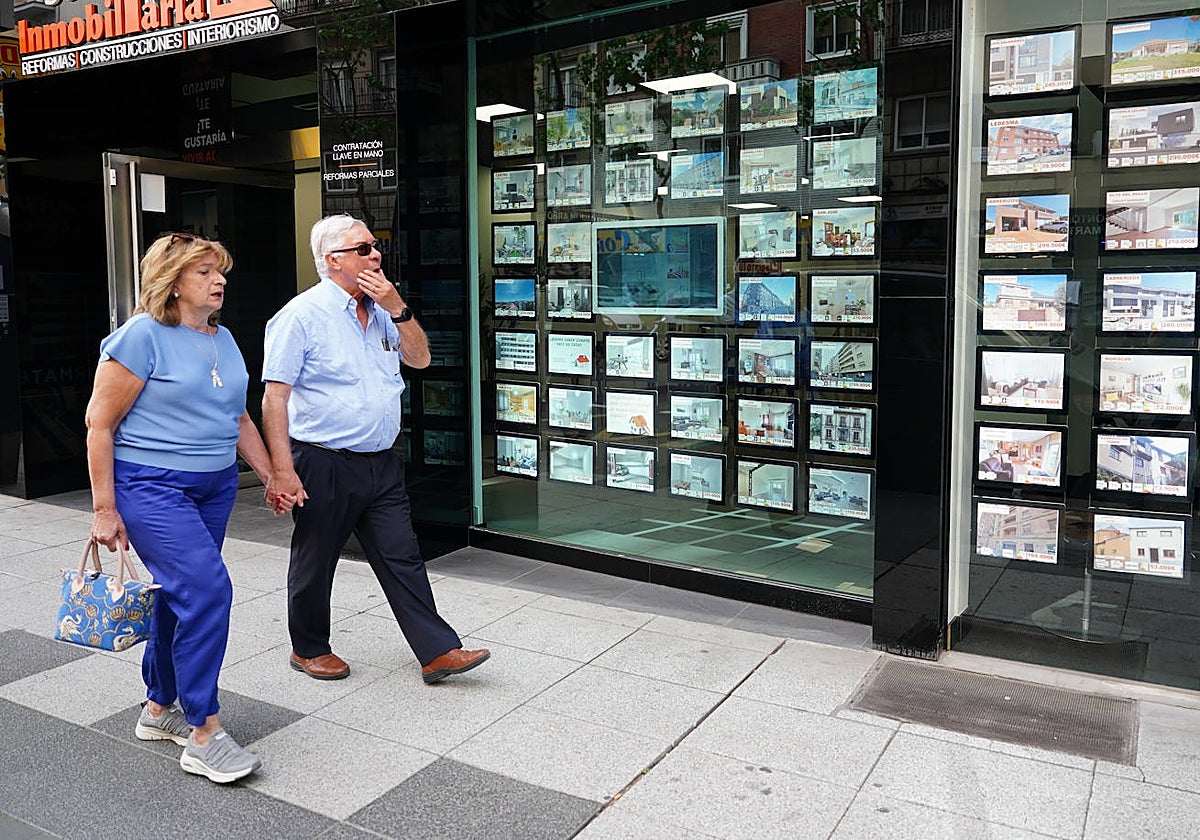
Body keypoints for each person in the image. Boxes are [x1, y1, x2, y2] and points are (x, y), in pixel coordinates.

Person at [86, 232, 292, 785]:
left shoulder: (222, 339)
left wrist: (273, 475)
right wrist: (105, 509)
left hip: (215, 485)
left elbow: (240, 420)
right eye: (203, 272)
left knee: (180, 596)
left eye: (219, 271)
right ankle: (204, 732)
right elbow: (99, 425)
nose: (218, 280)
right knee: (206, 589)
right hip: (151, 486)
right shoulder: (140, 337)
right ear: (171, 282)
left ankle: (159, 707)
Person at [261, 214, 489, 685]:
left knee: (402, 554)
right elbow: (274, 398)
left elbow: (421, 358)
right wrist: (282, 471)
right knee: (316, 558)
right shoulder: (300, 317)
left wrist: (399, 307)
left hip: (381, 461)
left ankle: (437, 651)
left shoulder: (384, 308)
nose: (376, 255)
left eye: (375, 246)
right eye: (363, 248)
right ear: (333, 260)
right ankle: (308, 648)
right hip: (323, 459)